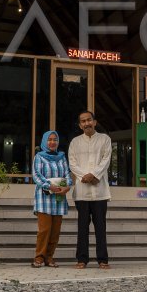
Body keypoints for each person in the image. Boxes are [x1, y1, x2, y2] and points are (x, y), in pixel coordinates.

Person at [68, 110, 112, 269]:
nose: (86, 123)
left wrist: (94, 175)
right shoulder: (75, 142)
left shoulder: (105, 139)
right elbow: (72, 163)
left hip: (100, 192)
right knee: (82, 228)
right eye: (83, 121)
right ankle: (82, 259)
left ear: (94, 122)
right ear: (80, 125)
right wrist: (84, 176)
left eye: (89, 120)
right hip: (82, 192)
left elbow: (106, 160)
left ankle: (103, 260)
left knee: (101, 228)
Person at [31, 130, 71, 268]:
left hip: (59, 198)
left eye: (55, 139)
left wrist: (68, 186)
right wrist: (49, 186)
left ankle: (49, 257)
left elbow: (67, 174)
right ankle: (39, 258)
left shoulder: (62, 157)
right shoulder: (39, 157)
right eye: (49, 140)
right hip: (44, 198)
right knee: (44, 230)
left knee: (55, 231)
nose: (52, 142)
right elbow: (36, 175)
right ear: (44, 141)